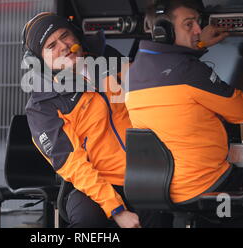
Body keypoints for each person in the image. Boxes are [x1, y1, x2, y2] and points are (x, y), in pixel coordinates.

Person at [23, 12, 167, 228]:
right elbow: (73, 165)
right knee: (87, 220)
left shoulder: (107, 59)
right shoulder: (42, 107)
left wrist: (190, 49)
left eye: (65, 36)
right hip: (93, 183)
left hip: (145, 173)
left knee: (162, 213)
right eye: (51, 46)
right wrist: (117, 210)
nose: (63, 46)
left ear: (76, 37)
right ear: (40, 60)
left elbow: (156, 81)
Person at [125, 0, 243, 207]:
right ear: (164, 31)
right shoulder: (191, 72)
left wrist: (197, 47)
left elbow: (172, 72)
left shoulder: (133, 71)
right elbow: (241, 111)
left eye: (197, 23)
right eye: (189, 24)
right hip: (207, 185)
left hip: (158, 189)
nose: (198, 31)